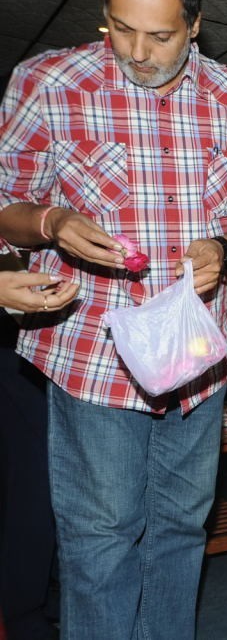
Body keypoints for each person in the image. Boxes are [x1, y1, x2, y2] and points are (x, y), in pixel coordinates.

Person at [0, 0, 227, 636]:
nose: (137, 52)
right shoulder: (47, 82)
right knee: (102, 538)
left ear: (196, 24)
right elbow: (5, 203)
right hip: (96, 358)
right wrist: (51, 223)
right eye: (122, 28)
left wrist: (226, 248)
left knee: (182, 531)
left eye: (160, 36)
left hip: (196, 359)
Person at [0, 260, 78, 640]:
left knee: (44, 470)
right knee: (32, 475)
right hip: (12, 334)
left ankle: (45, 595)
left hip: (29, 332)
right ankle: (26, 610)